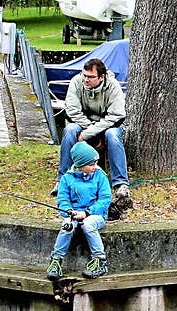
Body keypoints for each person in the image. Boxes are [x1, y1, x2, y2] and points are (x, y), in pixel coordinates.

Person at [55, 58, 131, 214]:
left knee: (113, 135)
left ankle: (121, 183)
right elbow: (72, 110)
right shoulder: (76, 82)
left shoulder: (113, 86)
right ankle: (62, 178)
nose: (86, 79)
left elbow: (117, 115)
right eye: (84, 75)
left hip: (108, 124)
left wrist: (90, 132)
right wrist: (89, 129)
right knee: (69, 131)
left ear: (101, 77)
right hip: (83, 123)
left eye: (90, 77)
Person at [46, 141, 112, 281]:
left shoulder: (100, 176)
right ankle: (56, 260)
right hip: (74, 214)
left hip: (95, 214)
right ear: (80, 165)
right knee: (66, 227)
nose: (95, 167)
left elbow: (105, 200)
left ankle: (100, 261)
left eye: (95, 163)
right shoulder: (66, 179)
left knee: (88, 225)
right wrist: (69, 211)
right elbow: (63, 200)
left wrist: (87, 213)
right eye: (91, 164)